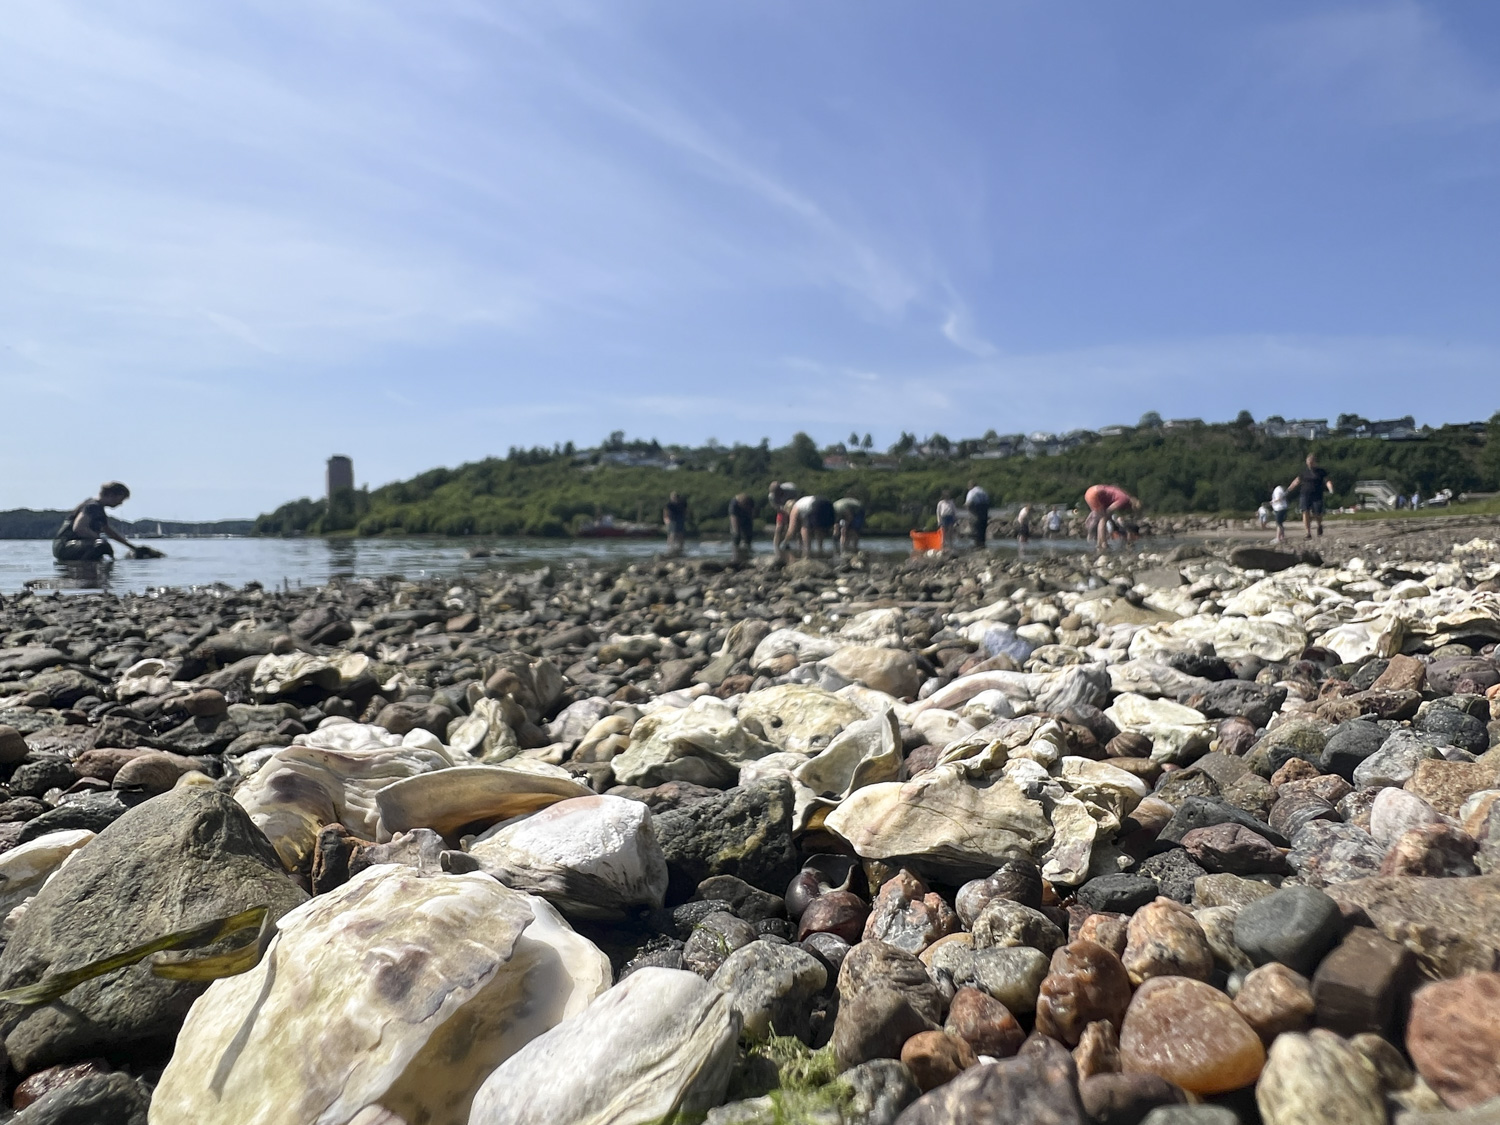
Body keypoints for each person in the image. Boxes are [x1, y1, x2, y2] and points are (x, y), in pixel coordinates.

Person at [53, 482, 142, 561]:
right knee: (101, 546)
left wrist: (132, 547)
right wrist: (99, 539)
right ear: (111, 495)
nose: (120, 503)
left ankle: (90, 570)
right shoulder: (92, 506)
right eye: (120, 499)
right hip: (64, 547)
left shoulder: (98, 509)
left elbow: (109, 532)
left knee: (102, 546)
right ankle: (85, 570)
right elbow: (79, 528)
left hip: (68, 546)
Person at [1287, 453, 1333, 539]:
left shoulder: (1321, 472)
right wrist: (1289, 489)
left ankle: (1319, 525)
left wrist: (1330, 489)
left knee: (1318, 513)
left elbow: (1327, 481)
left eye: (1311, 462)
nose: (1310, 464)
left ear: (1315, 462)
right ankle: (1308, 532)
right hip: (1305, 494)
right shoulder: (1303, 472)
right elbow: (1297, 481)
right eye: (1308, 462)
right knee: (1305, 512)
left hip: (1317, 495)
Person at [1083, 484, 1140, 551]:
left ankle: (1099, 544)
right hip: (1095, 494)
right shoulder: (1124, 500)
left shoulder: (1125, 495)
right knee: (1104, 518)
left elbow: (1113, 489)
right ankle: (1103, 543)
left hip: (1091, 490)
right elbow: (1109, 510)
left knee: (1101, 517)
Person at [768, 481, 797, 553]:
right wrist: (783, 510)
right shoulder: (771, 496)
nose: (776, 494)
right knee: (779, 528)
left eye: (777, 492)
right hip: (781, 509)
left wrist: (790, 511)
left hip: (792, 506)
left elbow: (795, 501)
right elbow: (776, 507)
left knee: (791, 527)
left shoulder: (791, 490)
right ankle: (776, 547)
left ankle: (789, 543)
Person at [964, 481, 991, 549]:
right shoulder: (983, 491)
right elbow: (988, 501)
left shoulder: (972, 492)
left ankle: (977, 545)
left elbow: (969, 503)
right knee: (983, 528)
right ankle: (983, 544)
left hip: (976, 511)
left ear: (971, 486)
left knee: (975, 527)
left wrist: (966, 507)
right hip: (984, 511)